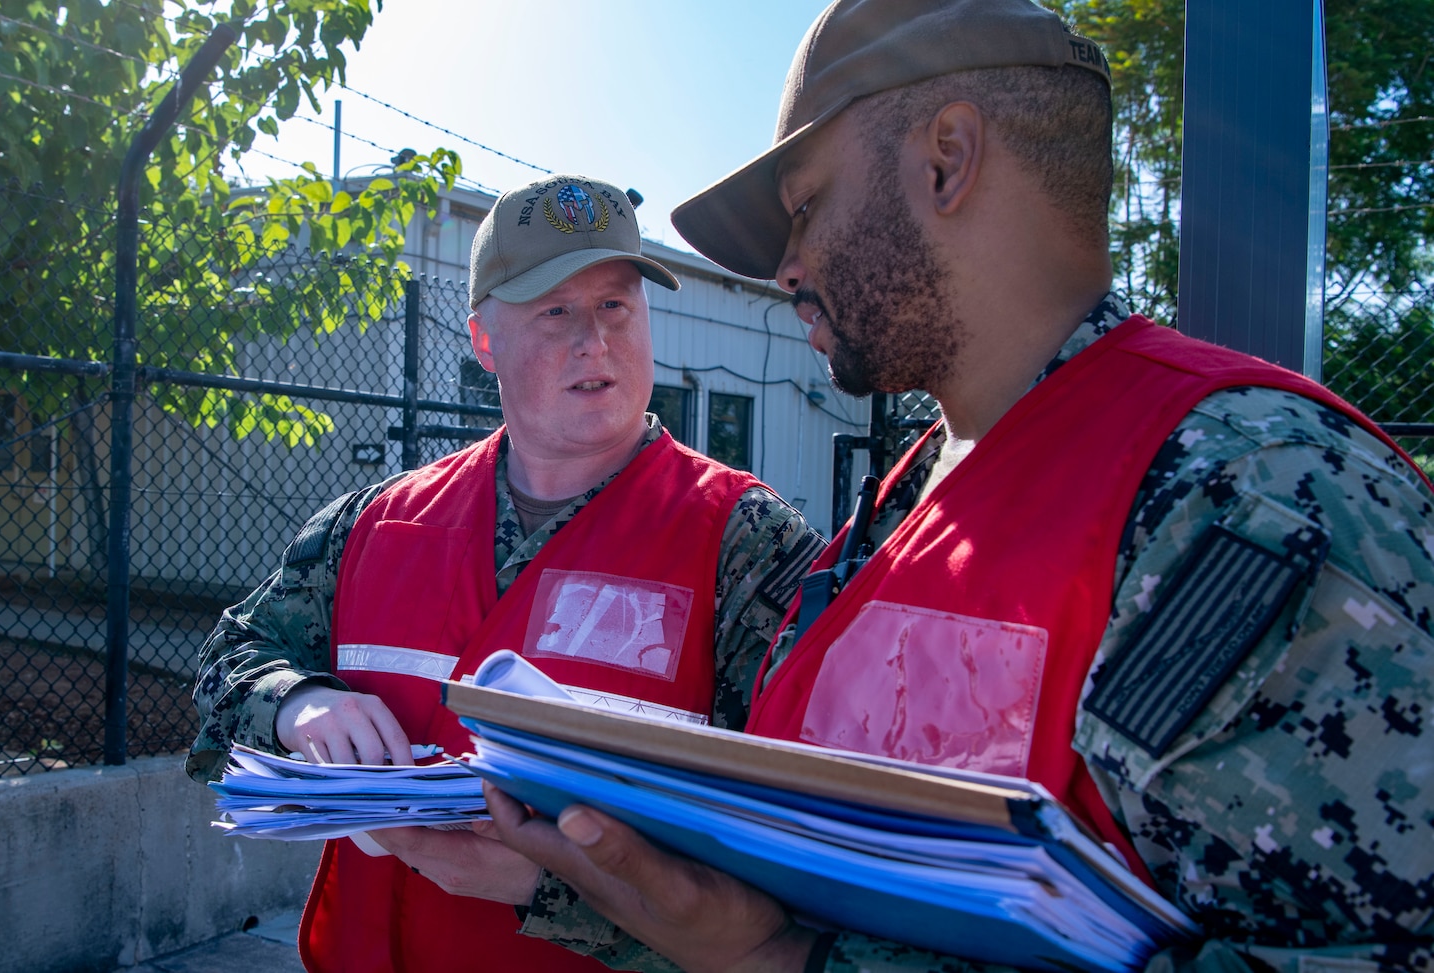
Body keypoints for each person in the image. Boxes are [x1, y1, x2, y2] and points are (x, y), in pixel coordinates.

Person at [483, 3, 1434, 972]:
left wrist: (787, 960)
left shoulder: (1246, 498)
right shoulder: (900, 506)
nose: (785, 268)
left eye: (804, 205)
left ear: (944, 160)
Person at [185, 173, 824, 972]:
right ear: (484, 340)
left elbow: (794, 871)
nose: (595, 339)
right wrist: (297, 704)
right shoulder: (375, 524)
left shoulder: (745, 541)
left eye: (616, 305)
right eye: (556, 310)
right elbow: (229, 658)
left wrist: (549, 887)